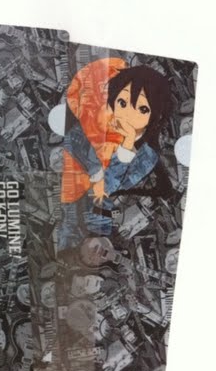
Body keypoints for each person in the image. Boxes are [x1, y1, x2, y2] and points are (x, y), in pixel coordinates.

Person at [59, 59, 172, 249]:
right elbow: (71, 145)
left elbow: (106, 190)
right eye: (123, 102)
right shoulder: (91, 125)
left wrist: (127, 146)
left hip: (88, 229)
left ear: (156, 116)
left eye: (142, 109)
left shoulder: (146, 157)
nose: (128, 115)